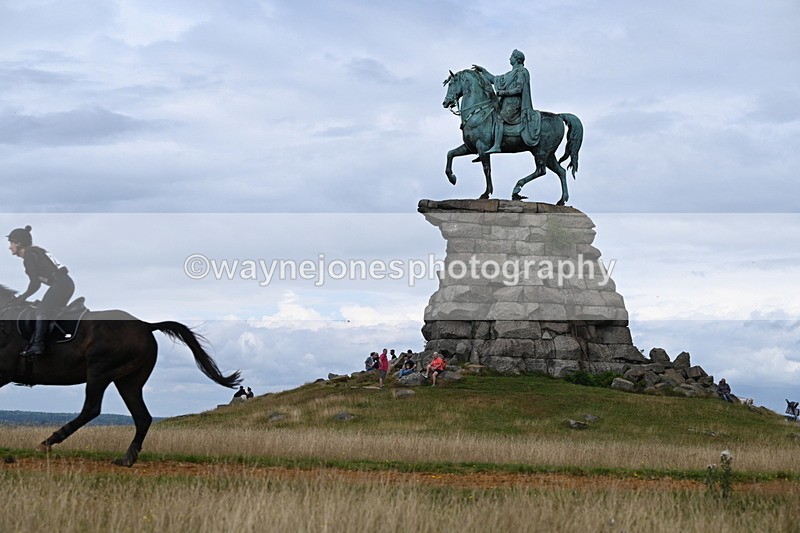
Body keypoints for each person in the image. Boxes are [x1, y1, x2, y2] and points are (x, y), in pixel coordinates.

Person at [7, 225, 75, 357]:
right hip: (65, 284)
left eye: (11, 243)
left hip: (60, 284)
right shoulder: (34, 253)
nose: (9, 247)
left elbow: (35, 284)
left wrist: (23, 297)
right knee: (50, 312)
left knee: (41, 311)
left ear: (19, 243)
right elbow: (36, 284)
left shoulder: (29, 256)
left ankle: (38, 345)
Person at [472, 49, 540, 154]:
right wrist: (483, 71)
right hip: (505, 104)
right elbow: (494, 79)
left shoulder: (522, 72)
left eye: (511, 56)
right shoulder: (509, 74)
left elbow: (519, 89)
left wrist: (503, 93)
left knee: (499, 118)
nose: (510, 58)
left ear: (517, 59)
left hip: (514, 104)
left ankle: (497, 146)